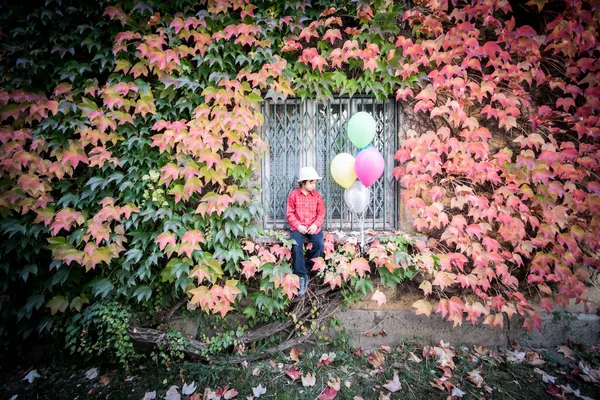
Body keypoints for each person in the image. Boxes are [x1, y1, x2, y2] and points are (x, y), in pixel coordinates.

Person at [286, 166, 325, 296]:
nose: (314, 185)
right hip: (299, 227)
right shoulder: (293, 196)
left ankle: (308, 266)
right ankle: (301, 276)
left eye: (315, 182)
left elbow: (321, 212)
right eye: (311, 182)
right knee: (296, 246)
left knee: (319, 244)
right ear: (303, 182)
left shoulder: (317, 196)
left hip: (313, 226)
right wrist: (298, 226)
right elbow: (289, 214)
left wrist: (315, 224)